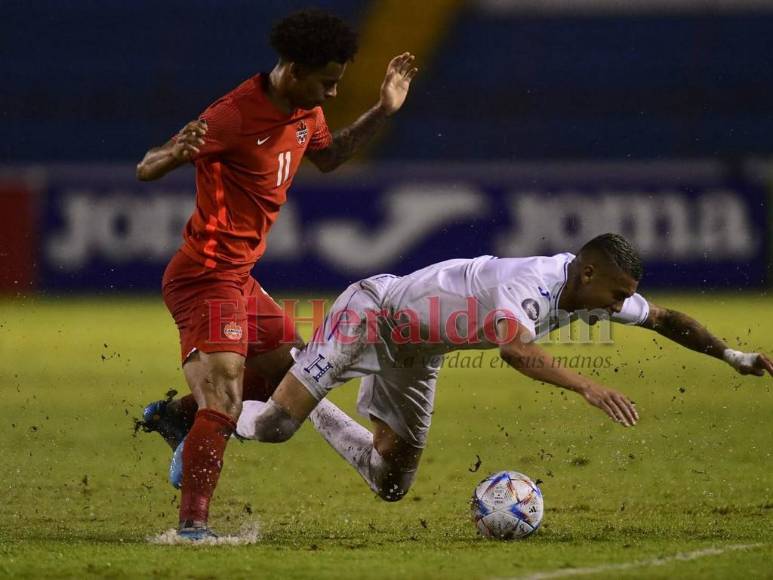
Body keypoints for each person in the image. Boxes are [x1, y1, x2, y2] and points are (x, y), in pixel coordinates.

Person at [135, 9, 418, 540]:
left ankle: (178, 417)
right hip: (206, 277)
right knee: (224, 399)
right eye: (327, 82)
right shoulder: (235, 115)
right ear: (293, 68)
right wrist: (174, 152)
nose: (332, 94)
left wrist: (383, 110)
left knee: (294, 375)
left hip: (239, 279)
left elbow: (330, 158)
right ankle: (192, 529)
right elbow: (145, 167)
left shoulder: (306, 112)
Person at [224, 233, 773, 504]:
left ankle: (306, 381)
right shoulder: (528, 288)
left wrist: (733, 356)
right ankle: (216, 412)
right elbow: (516, 351)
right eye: (616, 293)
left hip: (418, 350)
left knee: (390, 481)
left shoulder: (592, 291)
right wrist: (587, 385)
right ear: (586, 272)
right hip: (371, 314)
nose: (620, 304)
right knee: (274, 428)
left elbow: (666, 318)